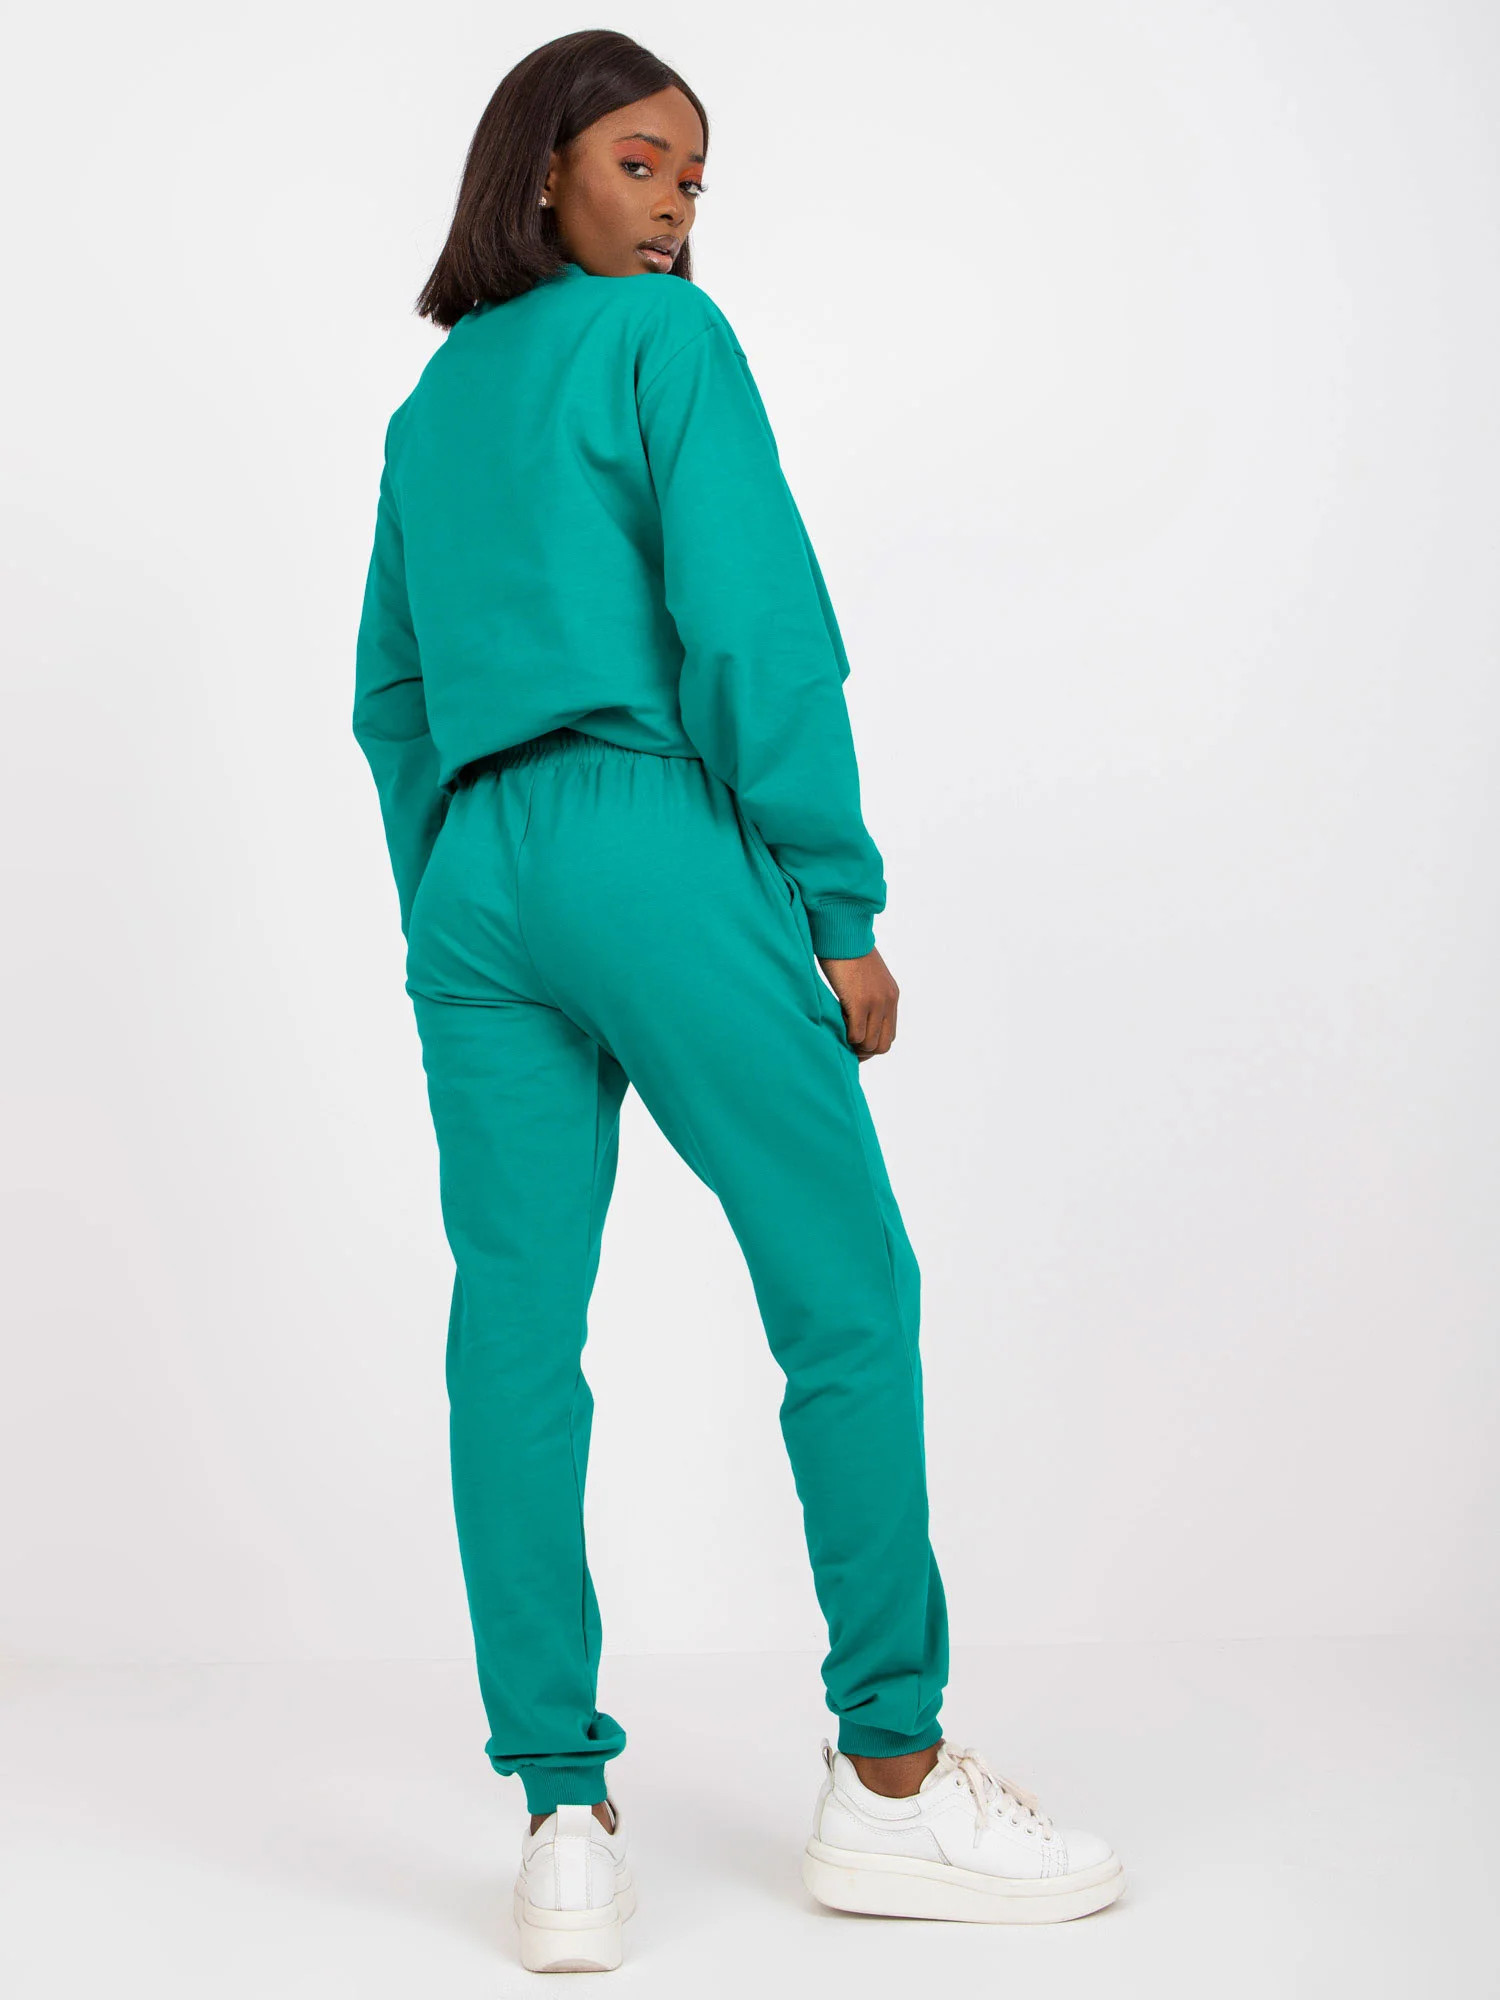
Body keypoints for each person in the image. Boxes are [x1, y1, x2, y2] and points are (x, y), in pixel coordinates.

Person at [352, 28, 1124, 1972]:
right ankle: (893, 1779)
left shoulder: (432, 408)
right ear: (541, 168)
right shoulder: (662, 343)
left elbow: (393, 699)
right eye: (642, 161)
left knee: (513, 1334)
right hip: (648, 834)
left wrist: (456, 891)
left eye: (694, 178)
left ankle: (562, 1820)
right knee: (843, 1281)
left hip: (476, 878)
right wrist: (835, 903)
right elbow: (751, 625)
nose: (677, 203)